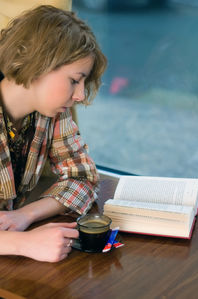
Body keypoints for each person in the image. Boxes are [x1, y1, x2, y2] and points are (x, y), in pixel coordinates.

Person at [0, 5, 107, 262]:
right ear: (38, 64)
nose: (80, 95)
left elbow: (83, 177)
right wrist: (22, 243)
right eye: (74, 80)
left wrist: (25, 215)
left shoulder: (51, 113)